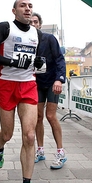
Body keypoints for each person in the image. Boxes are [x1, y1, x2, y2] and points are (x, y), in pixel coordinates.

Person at [0, 0, 43, 183]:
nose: (27, 8)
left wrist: (41, 64)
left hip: (28, 85)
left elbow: (38, 61)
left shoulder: (37, 33)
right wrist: (13, 62)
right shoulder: (5, 27)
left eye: (30, 6)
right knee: (7, 134)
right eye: (22, 5)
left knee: (30, 135)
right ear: (14, 10)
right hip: (7, 85)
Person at [30, 12, 67, 169]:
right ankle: (40, 150)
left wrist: (59, 79)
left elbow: (59, 58)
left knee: (50, 116)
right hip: (36, 84)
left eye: (35, 22)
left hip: (52, 82)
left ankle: (61, 153)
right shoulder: (27, 42)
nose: (32, 24)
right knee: (38, 117)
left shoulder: (49, 39)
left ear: (39, 24)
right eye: (30, 22)